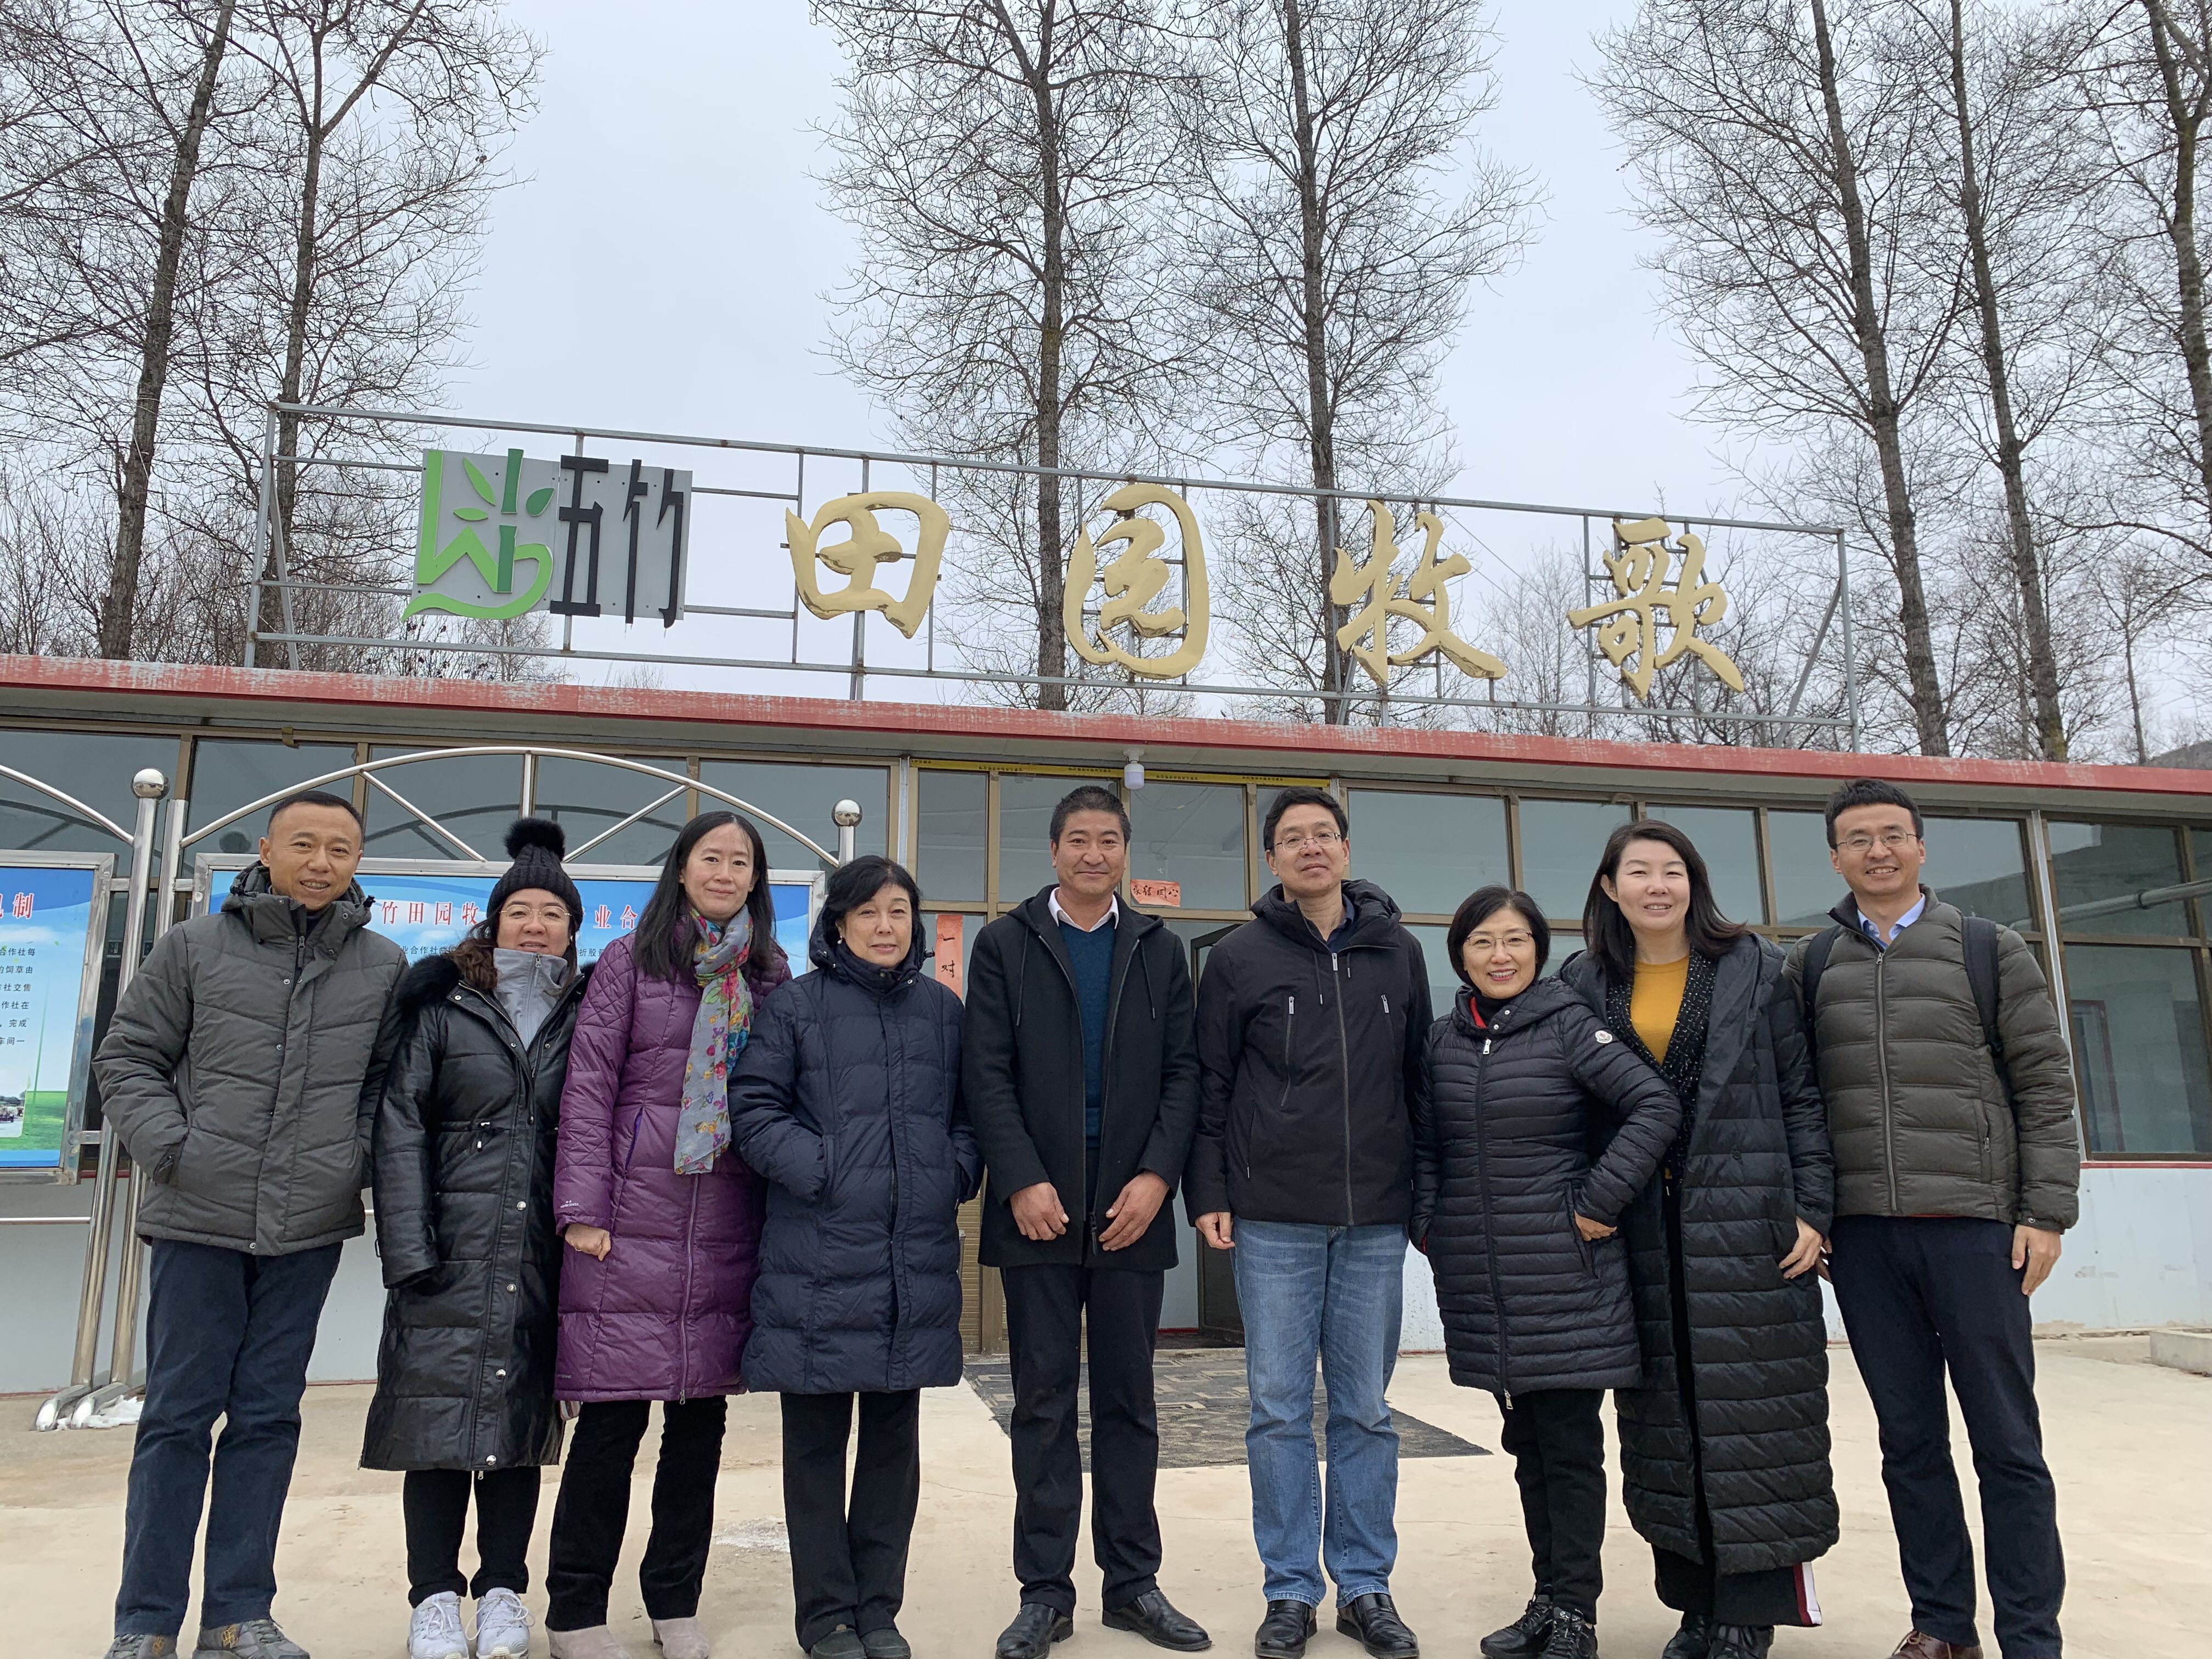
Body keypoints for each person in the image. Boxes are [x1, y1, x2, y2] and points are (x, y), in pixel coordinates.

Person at [93, 789, 406, 1659]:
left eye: (339, 849)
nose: (320, 862)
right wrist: (174, 1150)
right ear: (266, 851)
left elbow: (385, 1088)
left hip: (307, 1228)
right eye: (302, 844)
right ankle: (145, 1623)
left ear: (357, 862)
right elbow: (127, 1057)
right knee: (176, 1419)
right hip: (198, 1219)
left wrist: (348, 1161)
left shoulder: (382, 964)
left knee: (268, 1419)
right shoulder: (194, 946)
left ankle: (238, 1615)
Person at [1785, 781, 2078, 1659]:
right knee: (1909, 1443)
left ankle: (2030, 1636)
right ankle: (1944, 1626)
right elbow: (1798, 1101)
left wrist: (2046, 1212)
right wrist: (1814, 1211)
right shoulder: (1811, 966)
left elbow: (2045, 1084)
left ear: (1920, 847)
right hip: (1865, 1241)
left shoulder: (1988, 949)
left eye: (1892, 835)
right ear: (1834, 857)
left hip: (1977, 1231)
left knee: (2007, 1445)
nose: (1877, 851)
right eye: (1858, 839)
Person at [1558, 823, 1837, 1659]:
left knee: (1757, 1417)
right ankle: (1695, 1604)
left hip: (1748, 1228)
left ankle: (1749, 1612)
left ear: (1694, 883)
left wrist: (1813, 1208)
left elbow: (1802, 1095)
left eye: (1672, 871)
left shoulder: (1756, 969)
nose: (1657, 886)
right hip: (1640, 1235)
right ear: (1609, 887)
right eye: (1638, 872)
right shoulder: (1584, 981)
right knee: (1662, 1422)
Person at [962, 785, 1210, 1659]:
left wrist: (1156, 1178)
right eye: (1078, 839)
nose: (1094, 854)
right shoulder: (1005, 944)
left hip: (1129, 1209)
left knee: (1129, 1403)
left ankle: (1133, 1584)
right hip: (1038, 1209)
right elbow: (984, 1073)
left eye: (1109, 840)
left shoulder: (1159, 949)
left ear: (1125, 851)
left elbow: (1185, 1074)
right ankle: (1045, 1592)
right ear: (1054, 850)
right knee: (1041, 1402)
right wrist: (1021, 1180)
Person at [1186, 786, 1433, 1659]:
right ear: (1272, 860)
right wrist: (1208, 1192)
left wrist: (1423, 1197)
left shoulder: (1398, 952)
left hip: (1374, 1220)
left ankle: (1365, 1586)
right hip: (1274, 1217)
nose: (1311, 848)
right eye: (1293, 838)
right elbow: (1211, 1083)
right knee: (1279, 1410)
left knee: (1365, 1410)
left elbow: (1419, 1082)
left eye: (1324, 834)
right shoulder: (1240, 957)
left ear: (1347, 849)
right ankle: (1289, 1589)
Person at [545, 811, 792, 1659]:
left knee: (699, 1432)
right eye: (710, 858)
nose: (725, 872)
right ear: (682, 869)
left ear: (756, 879)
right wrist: (582, 1210)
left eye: (740, 862)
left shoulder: (769, 974)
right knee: (610, 1427)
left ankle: (674, 1601)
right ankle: (576, 1612)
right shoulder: (631, 961)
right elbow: (587, 1091)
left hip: (726, 1221)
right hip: (628, 1221)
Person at [1416, 885, 1681, 1659]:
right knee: (1527, 1450)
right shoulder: (1442, 1041)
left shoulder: (1570, 1025)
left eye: (1516, 941)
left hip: (1566, 1278)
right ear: (1460, 955)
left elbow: (1655, 1108)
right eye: (1483, 943)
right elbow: (1427, 1144)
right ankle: (1546, 1599)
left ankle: (1576, 1616)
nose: (1500, 956)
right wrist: (1429, 1222)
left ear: (1538, 948)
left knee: (1568, 1453)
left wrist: (1598, 1201)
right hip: (1483, 1282)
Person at [729, 855, 982, 1659]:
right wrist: (824, 1170)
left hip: (911, 1261)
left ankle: (879, 1610)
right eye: (867, 912)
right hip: (819, 1257)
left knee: (891, 1451)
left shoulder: (943, 1012)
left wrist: (952, 1172)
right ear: (837, 924)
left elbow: (971, 1117)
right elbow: (753, 1108)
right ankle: (826, 1616)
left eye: (898, 911)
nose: (884, 926)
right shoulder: (796, 1007)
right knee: (814, 1449)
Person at [363, 819, 593, 1659]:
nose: (535, 926)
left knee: (516, 1433)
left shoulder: (587, 1011)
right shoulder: (444, 1005)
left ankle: (502, 1592)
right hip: (447, 1253)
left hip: (539, 1256)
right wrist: (408, 1250)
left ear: (572, 929)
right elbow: (397, 1127)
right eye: (520, 912)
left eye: (552, 914)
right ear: (494, 922)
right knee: (434, 1432)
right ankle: (432, 1598)